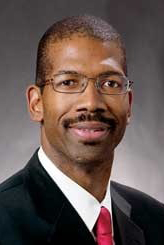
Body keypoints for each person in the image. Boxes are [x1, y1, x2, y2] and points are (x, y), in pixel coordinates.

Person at [0, 15, 163, 245]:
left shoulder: (156, 220)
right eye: (68, 82)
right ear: (36, 104)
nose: (92, 102)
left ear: (128, 104)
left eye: (110, 84)